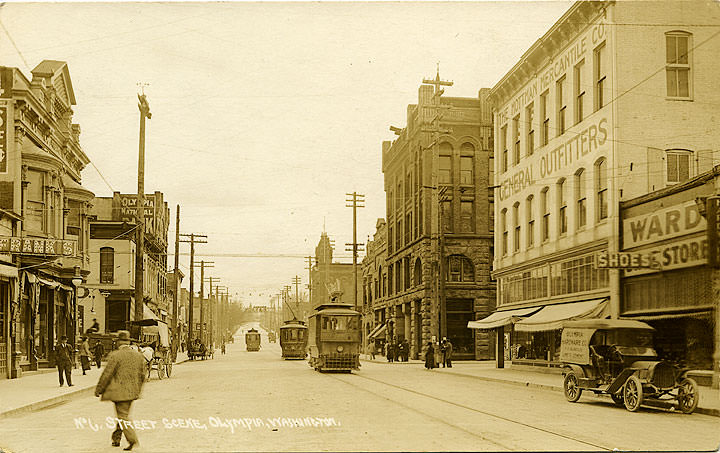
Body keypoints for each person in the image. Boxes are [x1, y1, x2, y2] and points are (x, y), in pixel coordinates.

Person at [95, 330, 146, 451]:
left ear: (118, 342)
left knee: (122, 416)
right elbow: (143, 375)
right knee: (123, 414)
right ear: (128, 342)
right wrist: (138, 389)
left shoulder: (115, 355)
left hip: (119, 392)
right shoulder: (138, 356)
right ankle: (116, 438)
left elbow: (107, 374)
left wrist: (99, 389)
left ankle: (132, 439)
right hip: (132, 391)